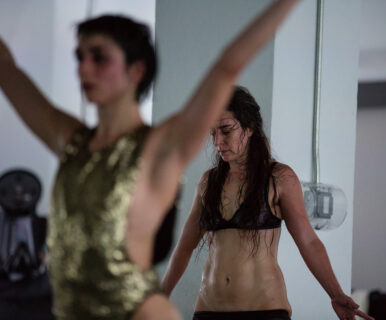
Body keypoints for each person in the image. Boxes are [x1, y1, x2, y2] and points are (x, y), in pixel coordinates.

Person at [0, 1, 299, 319]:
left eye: (99, 57)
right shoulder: (71, 142)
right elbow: (7, 70)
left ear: (137, 69)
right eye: (80, 56)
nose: (83, 68)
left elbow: (227, 65)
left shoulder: (160, 148)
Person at [161, 87, 375, 320]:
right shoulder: (207, 183)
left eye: (226, 130)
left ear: (250, 128)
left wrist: (336, 294)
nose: (217, 142)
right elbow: (184, 247)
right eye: (213, 133)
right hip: (209, 311)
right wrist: (159, 298)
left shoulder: (279, 178)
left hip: (265, 312)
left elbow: (309, 241)